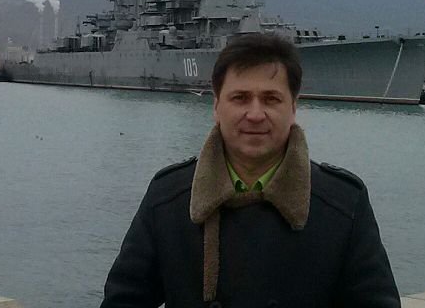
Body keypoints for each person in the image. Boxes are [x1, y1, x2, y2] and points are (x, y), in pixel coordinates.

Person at [100, 33, 401, 307]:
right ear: (216, 106)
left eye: (271, 99)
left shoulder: (344, 204)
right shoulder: (167, 198)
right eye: (240, 98)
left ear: (293, 107)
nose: (255, 114)